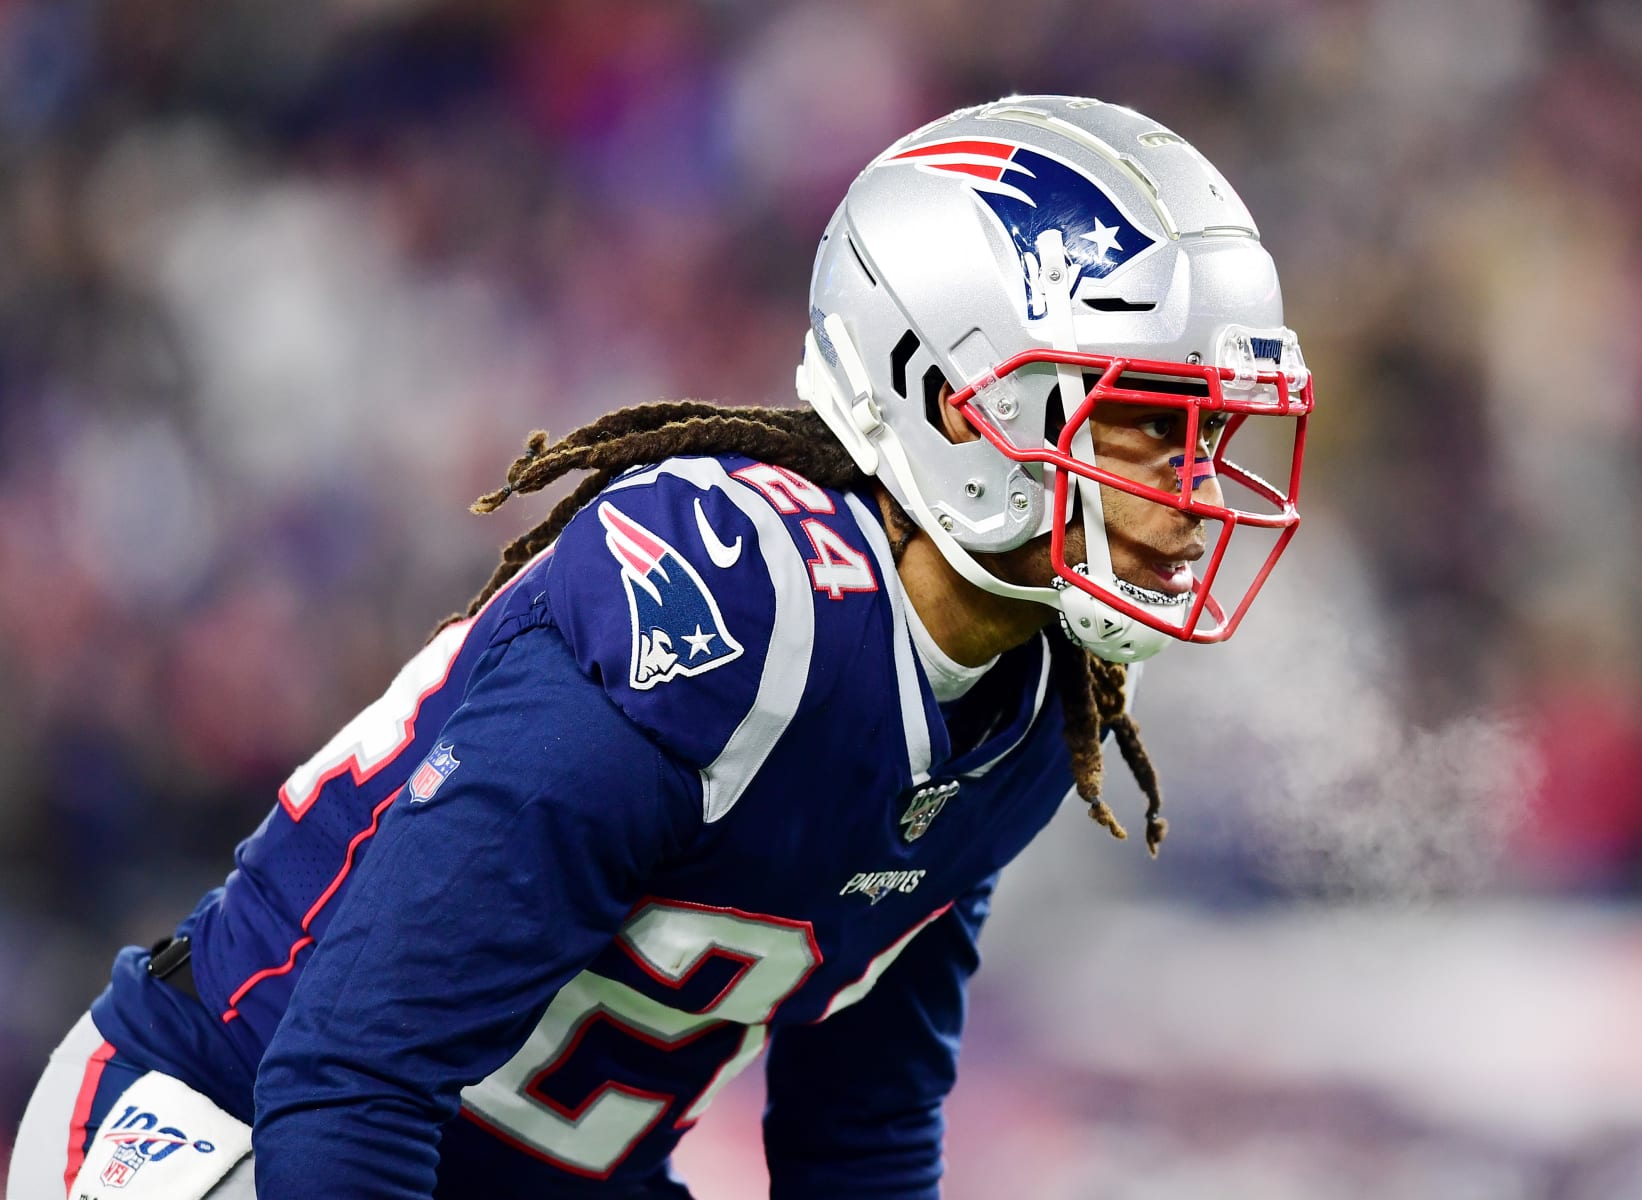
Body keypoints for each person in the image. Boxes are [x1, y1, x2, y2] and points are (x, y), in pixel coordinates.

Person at [8, 94, 1312, 1199]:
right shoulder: (730, 606)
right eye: (1150, 423)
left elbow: (856, 1130)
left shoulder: (1031, 704)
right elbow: (350, 1076)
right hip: (234, 1129)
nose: (1196, 488)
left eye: (1217, 436)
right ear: (950, 396)